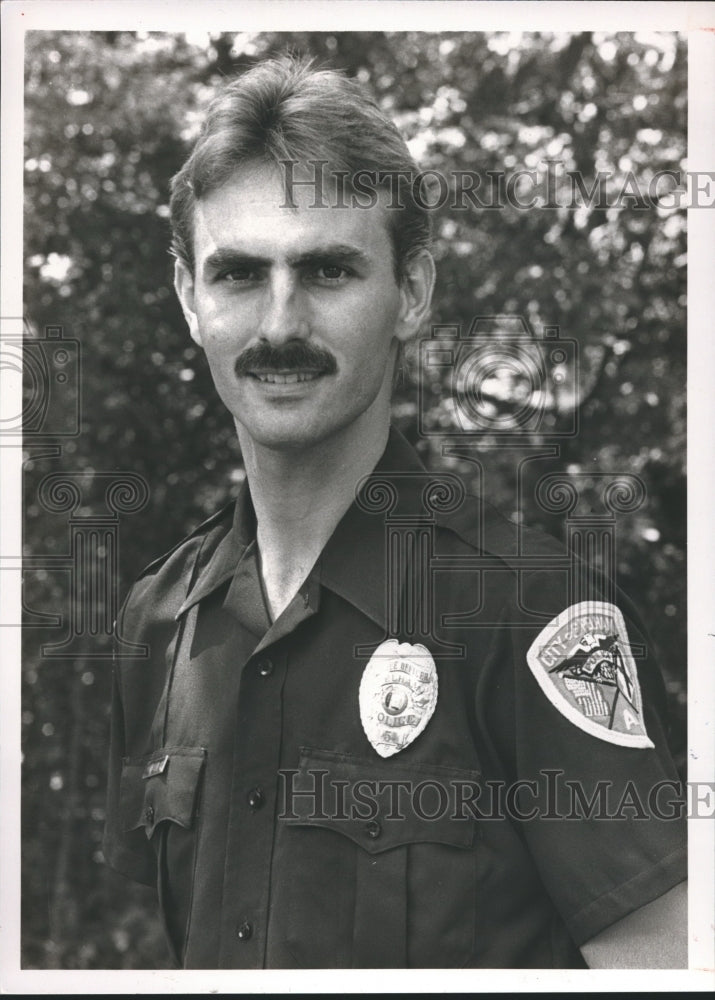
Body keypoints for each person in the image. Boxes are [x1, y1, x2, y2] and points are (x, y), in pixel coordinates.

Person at [103, 55, 687, 970]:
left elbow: (667, 967)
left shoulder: (534, 617)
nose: (279, 325)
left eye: (328, 270)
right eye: (239, 274)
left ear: (410, 293)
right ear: (189, 297)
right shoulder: (158, 621)